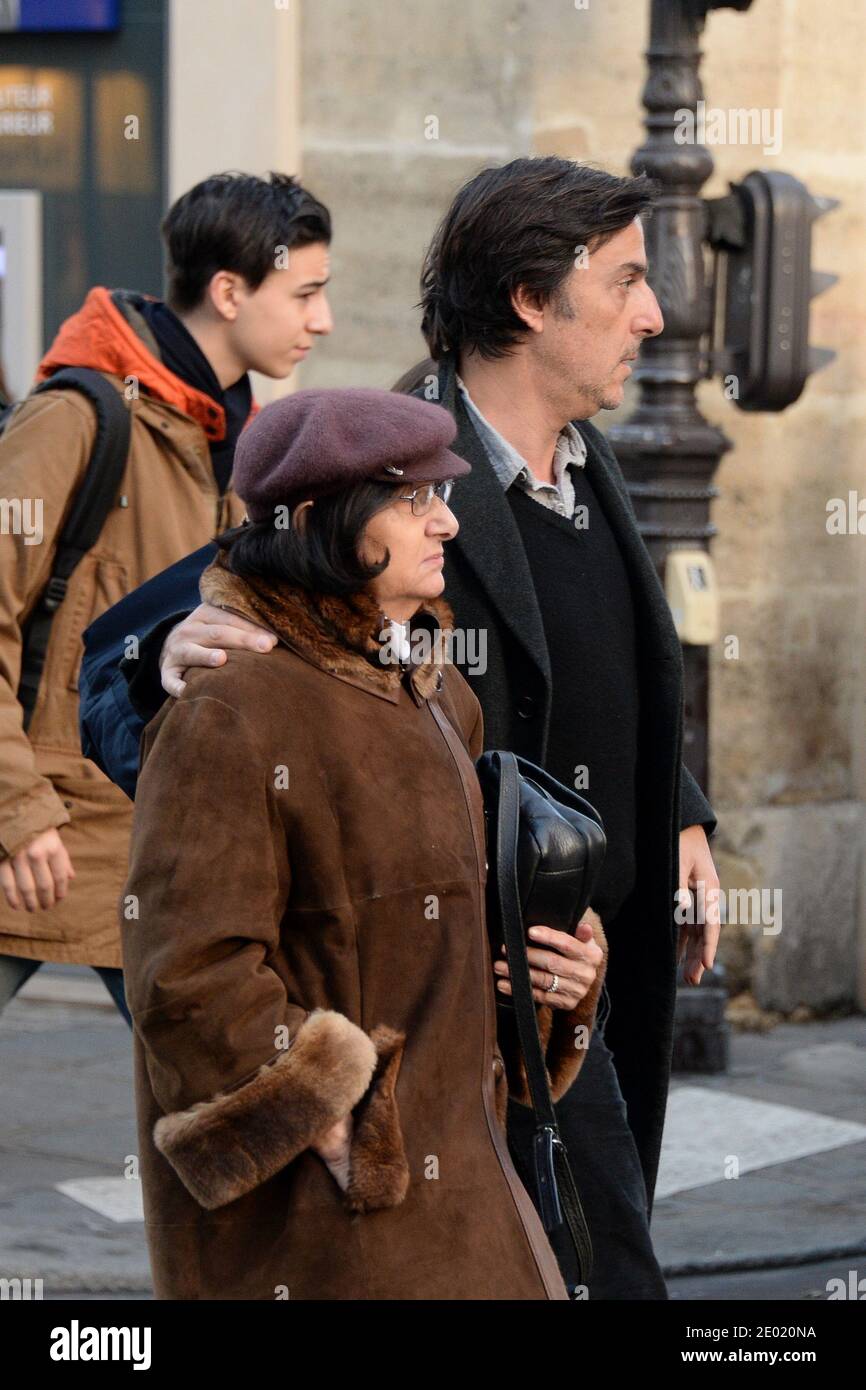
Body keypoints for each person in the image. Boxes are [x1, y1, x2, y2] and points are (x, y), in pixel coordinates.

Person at [79, 157, 721, 1299]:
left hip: (552, 1006)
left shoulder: (592, 464)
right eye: (625, 279)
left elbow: (612, 674)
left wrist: (675, 815)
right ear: (531, 298)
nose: (653, 311)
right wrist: (157, 661)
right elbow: (178, 622)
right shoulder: (382, 460)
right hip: (422, 1052)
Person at [121, 386, 607, 1300]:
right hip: (321, 1234)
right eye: (414, 500)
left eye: (443, 498)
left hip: (468, 1194)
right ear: (319, 521)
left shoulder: (436, 696)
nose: (446, 527)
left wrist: (554, 981)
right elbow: (186, 972)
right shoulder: (233, 705)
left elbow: (451, 947)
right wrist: (339, 1123)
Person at [0, 171, 332, 1023]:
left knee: (216, 1099)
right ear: (229, 292)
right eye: (304, 295)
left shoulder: (240, 447)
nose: (320, 321)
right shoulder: (80, 420)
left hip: (164, 847)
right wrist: (17, 813)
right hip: (48, 840)